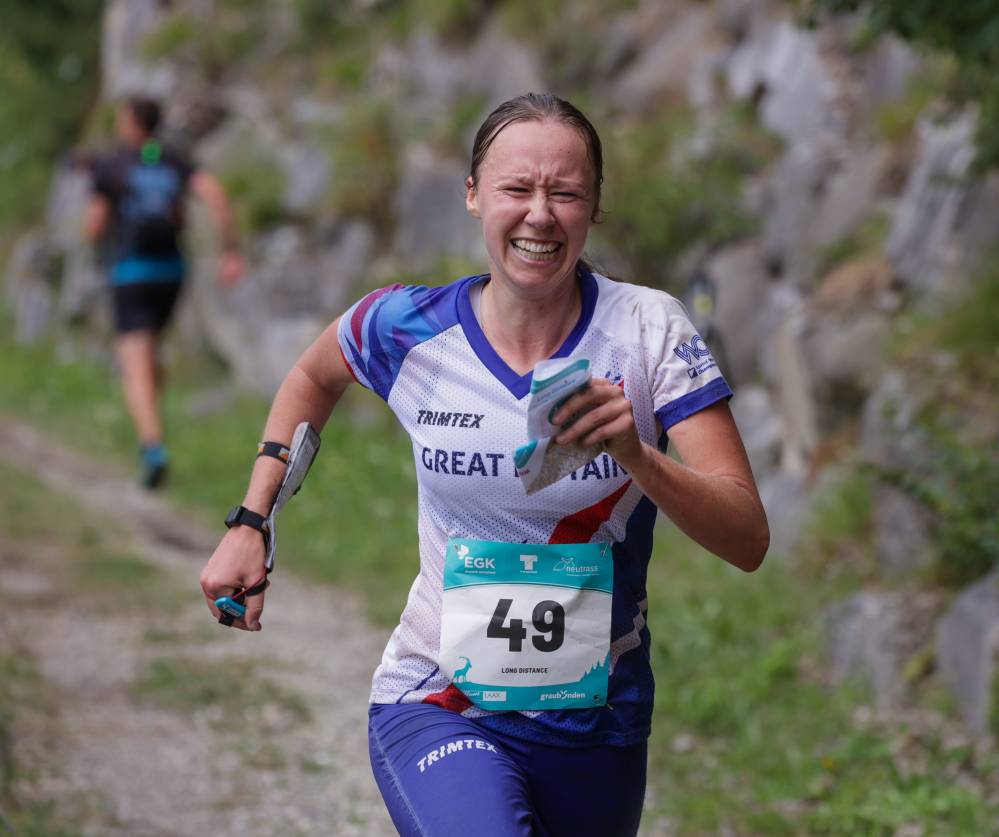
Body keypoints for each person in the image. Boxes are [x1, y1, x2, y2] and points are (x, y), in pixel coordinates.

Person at [199, 92, 769, 836]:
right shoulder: (407, 328)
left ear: (595, 207)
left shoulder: (646, 329)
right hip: (436, 700)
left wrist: (637, 453)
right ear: (472, 195)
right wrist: (253, 520)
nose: (540, 215)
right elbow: (312, 376)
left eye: (566, 193)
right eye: (516, 188)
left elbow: (747, 536)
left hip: (597, 723)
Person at [84, 95, 244, 488]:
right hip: (172, 272)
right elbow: (215, 195)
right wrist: (229, 250)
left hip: (131, 272)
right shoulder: (175, 160)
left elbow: (95, 225)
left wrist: (95, 246)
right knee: (151, 350)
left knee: (134, 361)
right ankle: (152, 420)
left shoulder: (113, 164)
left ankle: (153, 447)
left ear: (130, 123)